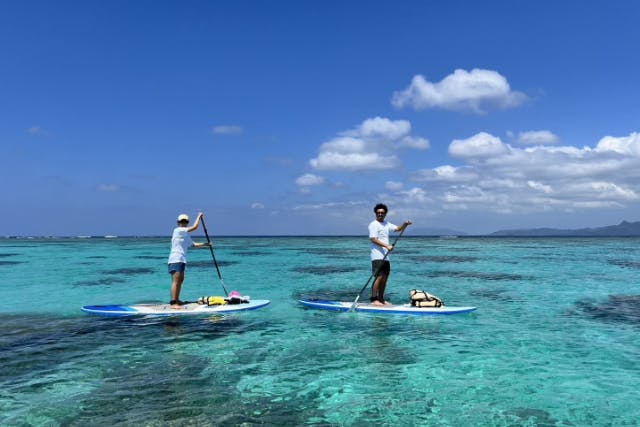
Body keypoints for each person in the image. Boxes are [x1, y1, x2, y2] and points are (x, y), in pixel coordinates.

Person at [368, 203, 411, 306]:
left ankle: (381, 299)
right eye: (378, 213)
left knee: (385, 277)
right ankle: (374, 299)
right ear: (375, 213)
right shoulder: (373, 224)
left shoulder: (387, 224)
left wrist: (405, 224)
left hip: (386, 256)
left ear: (385, 214)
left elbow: (398, 229)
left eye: (382, 213)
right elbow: (373, 239)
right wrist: (387, 246)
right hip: (377, 255)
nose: (380, 214)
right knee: (378, 277)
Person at [167, 212, 211, 309]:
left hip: (182, 259)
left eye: (185, 221)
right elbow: (194, 227)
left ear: (187, 222)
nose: (183, 223)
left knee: (180, 280)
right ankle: (173, 302)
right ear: (178, 222)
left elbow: (193, 244)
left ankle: (177, 299)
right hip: (175, 259)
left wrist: (206, 244)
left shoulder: (185, 235)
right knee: (175, 281)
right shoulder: (178, 230)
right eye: (182, 221)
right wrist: (199, 217)